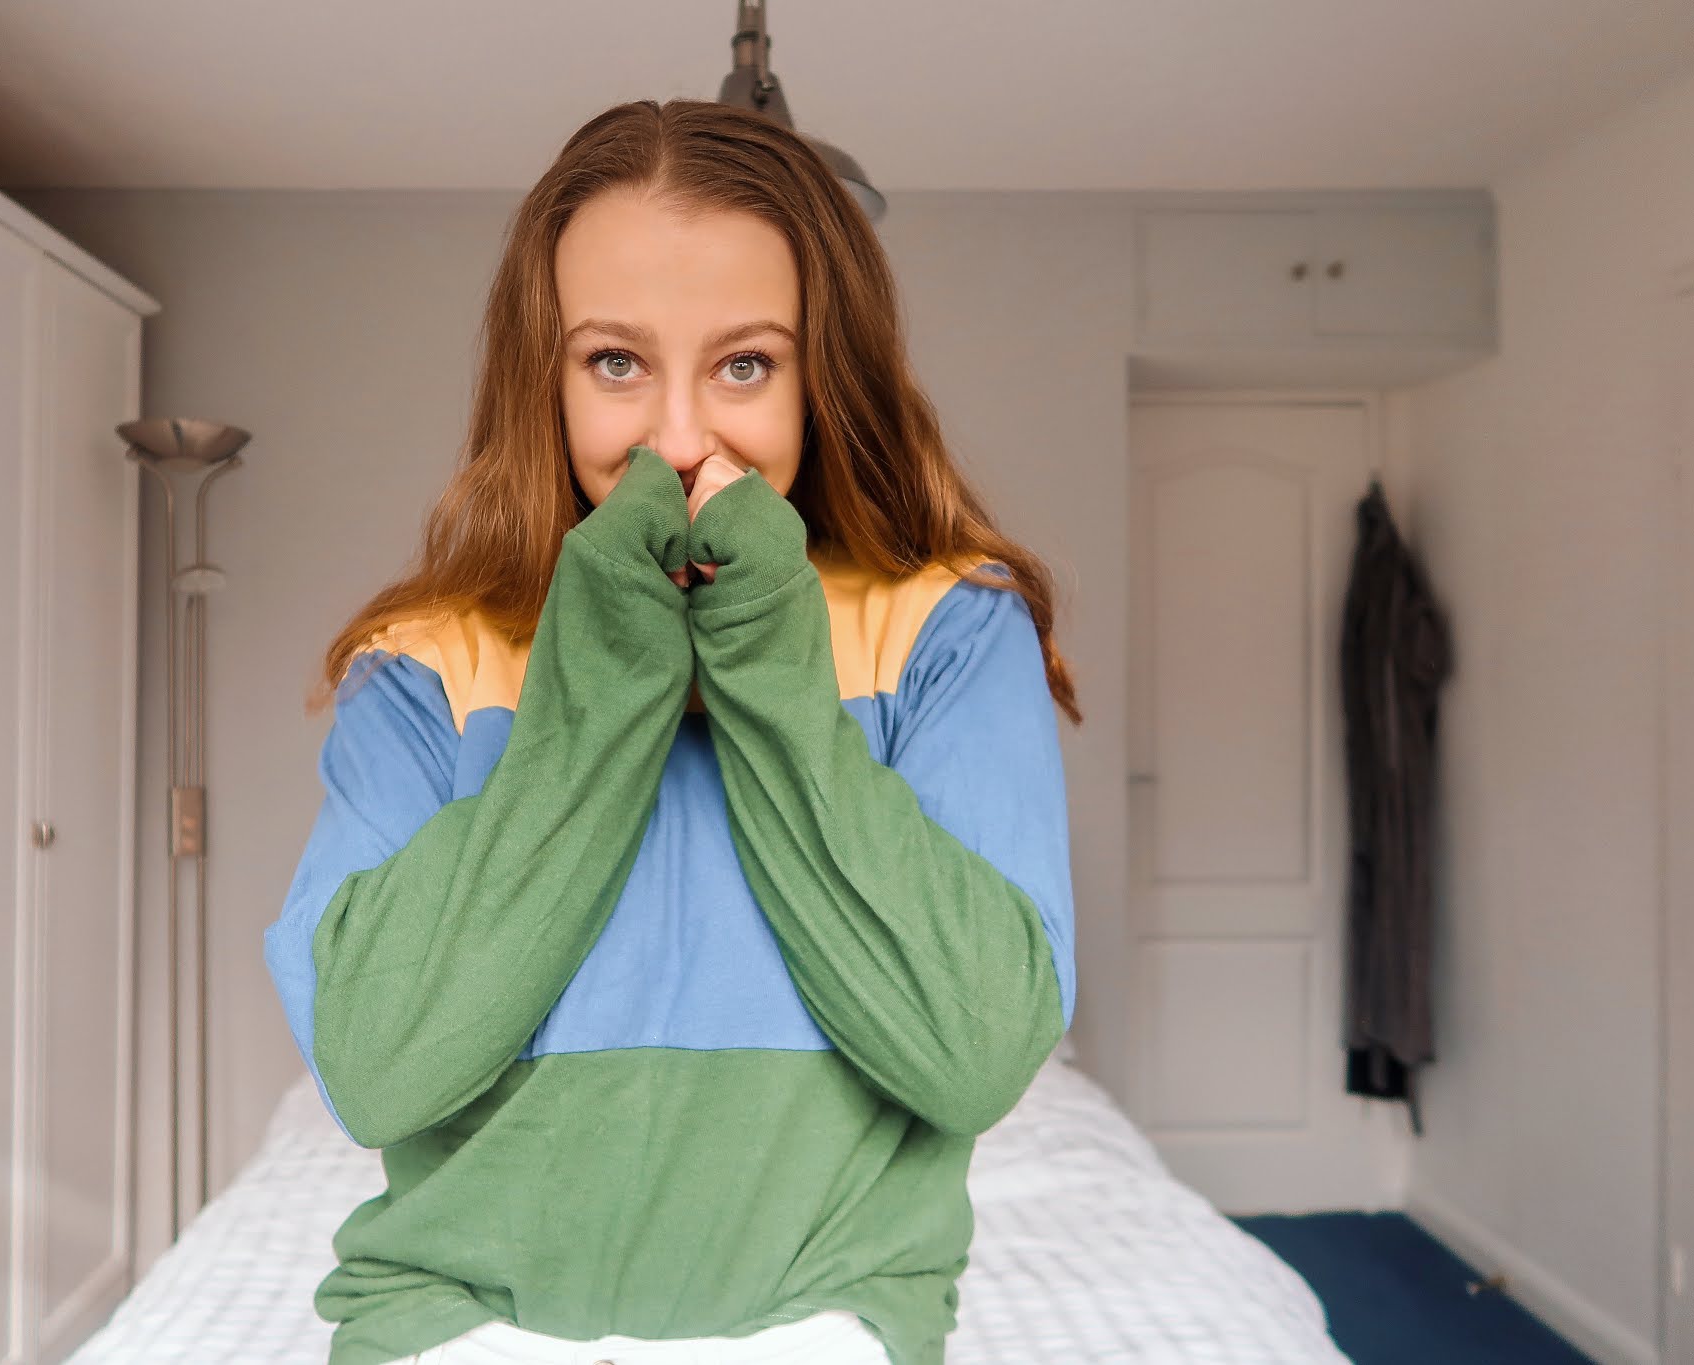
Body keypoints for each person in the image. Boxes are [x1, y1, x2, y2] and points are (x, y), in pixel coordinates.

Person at [264, 97, 1081, 1365]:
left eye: (744, 364)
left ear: (825, 375)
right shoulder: (422, 667)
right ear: (545, 375)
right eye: (614, 363)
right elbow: (375, 1072)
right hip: (457, 1335)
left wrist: (764, 664)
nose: (681, 440)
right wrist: (603, 679)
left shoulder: (950, 634)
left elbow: (973, 1056)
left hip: (825, 1331)